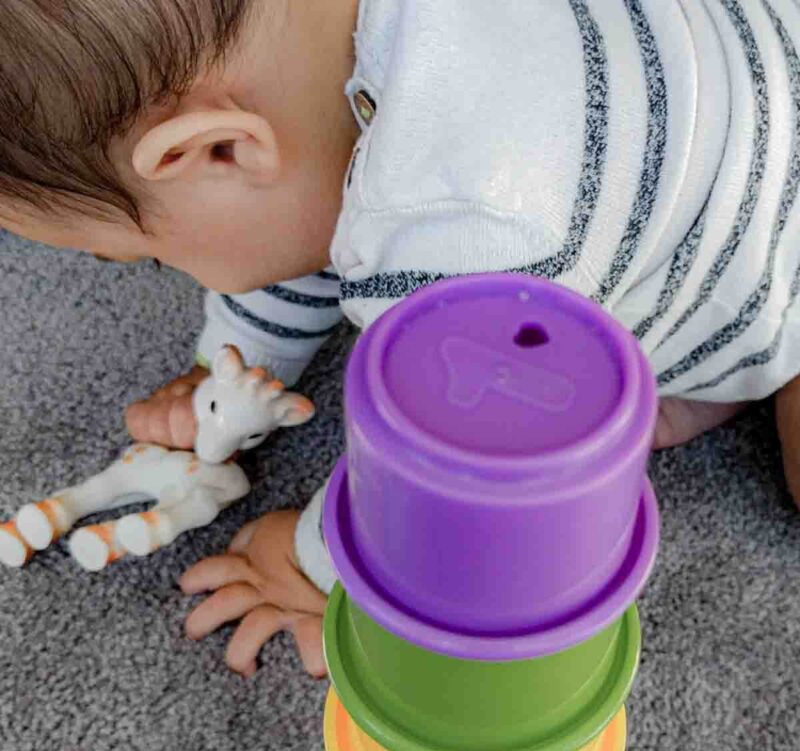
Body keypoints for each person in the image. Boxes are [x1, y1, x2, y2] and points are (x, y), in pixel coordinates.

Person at [2, 0, 798, 677]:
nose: (164, 267)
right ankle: (665, 350)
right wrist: (229, 367)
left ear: (216, 149)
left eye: (148, 256)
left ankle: (728, 362)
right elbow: (295, 227)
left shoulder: (462, 240)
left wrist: (315, 564)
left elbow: (444, 477)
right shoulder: (334, 67)